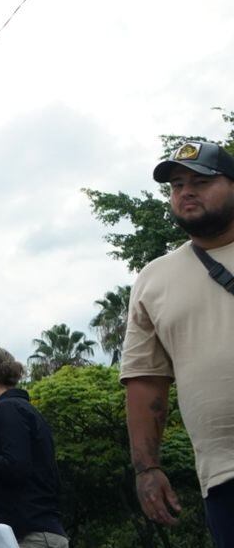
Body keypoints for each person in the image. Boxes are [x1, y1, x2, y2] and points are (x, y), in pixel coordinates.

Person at [122, 138, 234, 547]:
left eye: (201, 180)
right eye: (176, 185)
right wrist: (146, 469)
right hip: (224, 476)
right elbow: (145, 379)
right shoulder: (154, 279)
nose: (186, 191)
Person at [0, 345, 67, 547]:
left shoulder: (8, 409)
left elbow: (16, 467)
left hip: (32, 536)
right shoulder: (24, 409)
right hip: (40, 532)